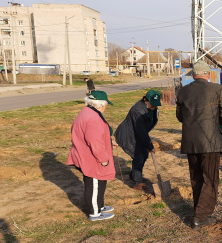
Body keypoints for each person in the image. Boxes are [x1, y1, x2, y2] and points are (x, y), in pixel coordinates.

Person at [176, 61, 222, 228]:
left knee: (196, 176)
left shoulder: (183, 91)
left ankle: (198, 209)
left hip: (190, 141)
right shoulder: (217, 89)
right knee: (210, 179)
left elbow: (180, 117)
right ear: (208, 75)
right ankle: (201, 216)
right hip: (210, 141)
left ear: (192, 75)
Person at [67, 90, 116, 221]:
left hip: (85, 154)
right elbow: (93, 140)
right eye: (106, 105)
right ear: (100, 105)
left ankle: (100, 206)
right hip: (90, 158)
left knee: (100, 182)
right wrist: (103, 159)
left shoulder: (86, 112)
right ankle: (95, 213)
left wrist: (109, 142)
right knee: (94, 184)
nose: (106, 108)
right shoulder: (94, 118)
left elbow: (95, 136)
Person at [114, 90, 162, 190]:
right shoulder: (138, 110)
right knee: (138, 156)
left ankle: (134, 175)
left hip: (138, 135)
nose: (154, 107)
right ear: (145, 100)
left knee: (144, 154)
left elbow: (144, 130)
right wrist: (149, 145)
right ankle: (137, 182)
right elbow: (141, 131)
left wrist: (147, 144)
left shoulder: (153, 109)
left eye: (156, 105)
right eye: (152, 104)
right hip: (128, 135)